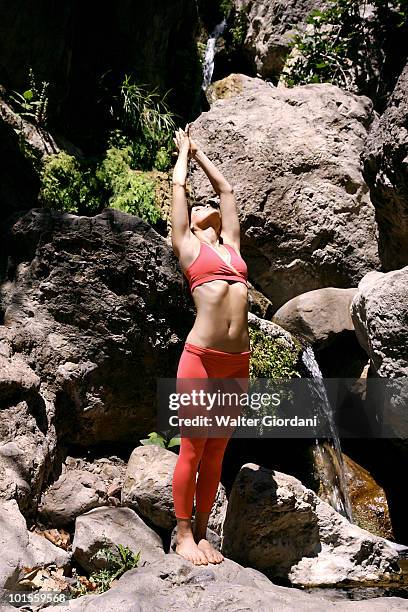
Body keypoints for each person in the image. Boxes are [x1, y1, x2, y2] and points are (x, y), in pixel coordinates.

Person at [171, 124, 251, 565]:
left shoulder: (232, 248)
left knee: (218, 447)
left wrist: (202, 153)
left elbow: (226, 191)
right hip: (200, 359)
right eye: (199, 211)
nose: (208, 211)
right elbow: (179, 189)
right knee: (193, 446)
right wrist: (183, 154)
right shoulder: (187, 247)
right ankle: (182, 534)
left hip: (237, 362)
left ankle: (202, 533)